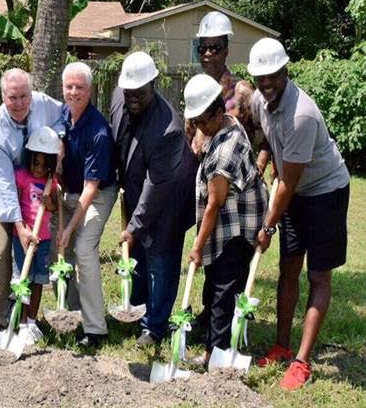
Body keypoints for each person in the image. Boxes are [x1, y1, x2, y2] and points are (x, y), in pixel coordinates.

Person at [248, 38, 350, 390]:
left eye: (272, 76)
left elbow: (288, 183)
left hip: (326, 193)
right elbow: (272, 150)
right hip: (294, 191)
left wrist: (267, 226)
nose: (266, 84)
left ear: (285, 72)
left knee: (318, 277)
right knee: (287, 269)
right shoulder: (261, 102)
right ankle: (281, 345)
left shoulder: (301, 114)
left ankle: (301, 362)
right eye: (260, 77)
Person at [109, 51, 197, 346]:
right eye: (129, 92)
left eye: (140, 93)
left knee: (160, 259)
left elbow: (155, 185)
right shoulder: (119, 98)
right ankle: (137, 308)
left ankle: (154, 327)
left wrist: (134, 227)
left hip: (169, 201)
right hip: (136, 191)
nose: (133, 98)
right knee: (138, 257)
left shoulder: (168, 128)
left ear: (154, 85)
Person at [183, 74, 268, 364]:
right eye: (195, 122)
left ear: (219, 111)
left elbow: (214, 205)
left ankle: (215, 355)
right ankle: (213, 344)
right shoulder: (226, 124)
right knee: (214, 287)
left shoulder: (225, 151)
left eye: (203, 122)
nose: (199, 128)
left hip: (236, 228)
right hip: (226, 222)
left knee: (223, 290)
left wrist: (197, 246)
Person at [0, 68, 63, 330]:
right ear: (3, 96)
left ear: (31, 93)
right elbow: (4, 187)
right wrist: (20, 226)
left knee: (39, 258)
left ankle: (29, 318)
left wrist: (59, 140)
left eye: (23, 96)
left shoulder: (42, 103)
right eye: (12, 97)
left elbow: (63, 116)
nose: (19, 104)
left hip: (39, 187)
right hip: (5, 187)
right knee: (5, 246)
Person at [56, 62, 117, 348]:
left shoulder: (99, 131)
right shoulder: (62, 115)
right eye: (69, 86)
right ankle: (71, 314)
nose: (73, 92)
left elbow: (91, 189)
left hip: (98, 194)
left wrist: (69, 227)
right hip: (69, 191)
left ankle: (96, 329)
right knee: (56, 249)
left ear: (89, 90)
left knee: (83, 249)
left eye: (79, 87)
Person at [189, 11, 271, 175]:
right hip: (204, 178)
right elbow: (189, 139)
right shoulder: (196, 90)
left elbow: (269, 136)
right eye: (203, 48)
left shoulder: (242, 91)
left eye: (214, 48)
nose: (207, 54)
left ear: (226, 52)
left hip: (235, 181)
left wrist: (259, 169)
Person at [12, 126, 60, 342]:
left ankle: (32, 321)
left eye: (43, 165)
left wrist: (50, 203)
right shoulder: (22, 177)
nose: (38, 169)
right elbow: (14, 204)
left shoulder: (52, 184)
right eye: (34, 163)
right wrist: (22, 229)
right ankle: (21, 322)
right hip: (22, 239)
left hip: (44, 240)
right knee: (24, 280)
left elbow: (55, 209)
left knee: (39, 280)